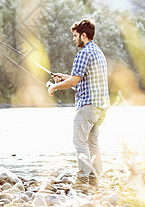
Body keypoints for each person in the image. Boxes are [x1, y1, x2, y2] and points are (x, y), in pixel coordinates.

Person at [47, 18, 110, 189]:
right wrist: (63, 77)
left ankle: (82, 180)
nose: (74, 39)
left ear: (84, 35)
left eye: (75, 36)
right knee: (92, 142)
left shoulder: (83, 53)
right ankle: (94, 180)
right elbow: (81, 79)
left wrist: (54, 87)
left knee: (80, 142)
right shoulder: (97, 52)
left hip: (88, 106)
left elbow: (74, 82)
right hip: (101, 107)